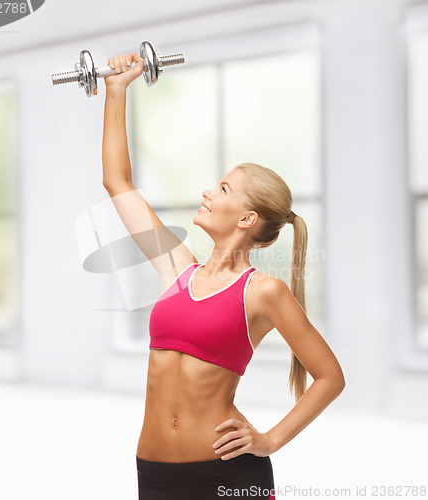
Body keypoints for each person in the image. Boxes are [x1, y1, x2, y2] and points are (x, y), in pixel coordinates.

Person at [101, 51, 345, 500]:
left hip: (228, 477)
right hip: (154, 473)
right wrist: (117, 92)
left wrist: (270, 439)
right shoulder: (175, 266)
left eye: (224, 189)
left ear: (248, 218)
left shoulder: (263, 292)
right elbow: (118, 182)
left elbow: (330, 376)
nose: (208, 193)